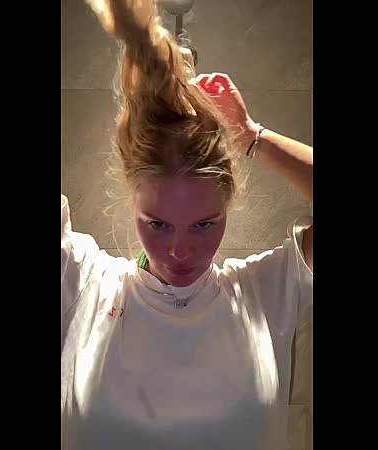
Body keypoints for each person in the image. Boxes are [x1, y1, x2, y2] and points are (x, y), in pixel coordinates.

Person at [61, 0, 313, 448]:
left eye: (204, 225)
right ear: (132, 203)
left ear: (228, 207)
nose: (180, 252)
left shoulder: (266, 291)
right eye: (157, 224)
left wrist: (251, 136)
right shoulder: (80, 281)